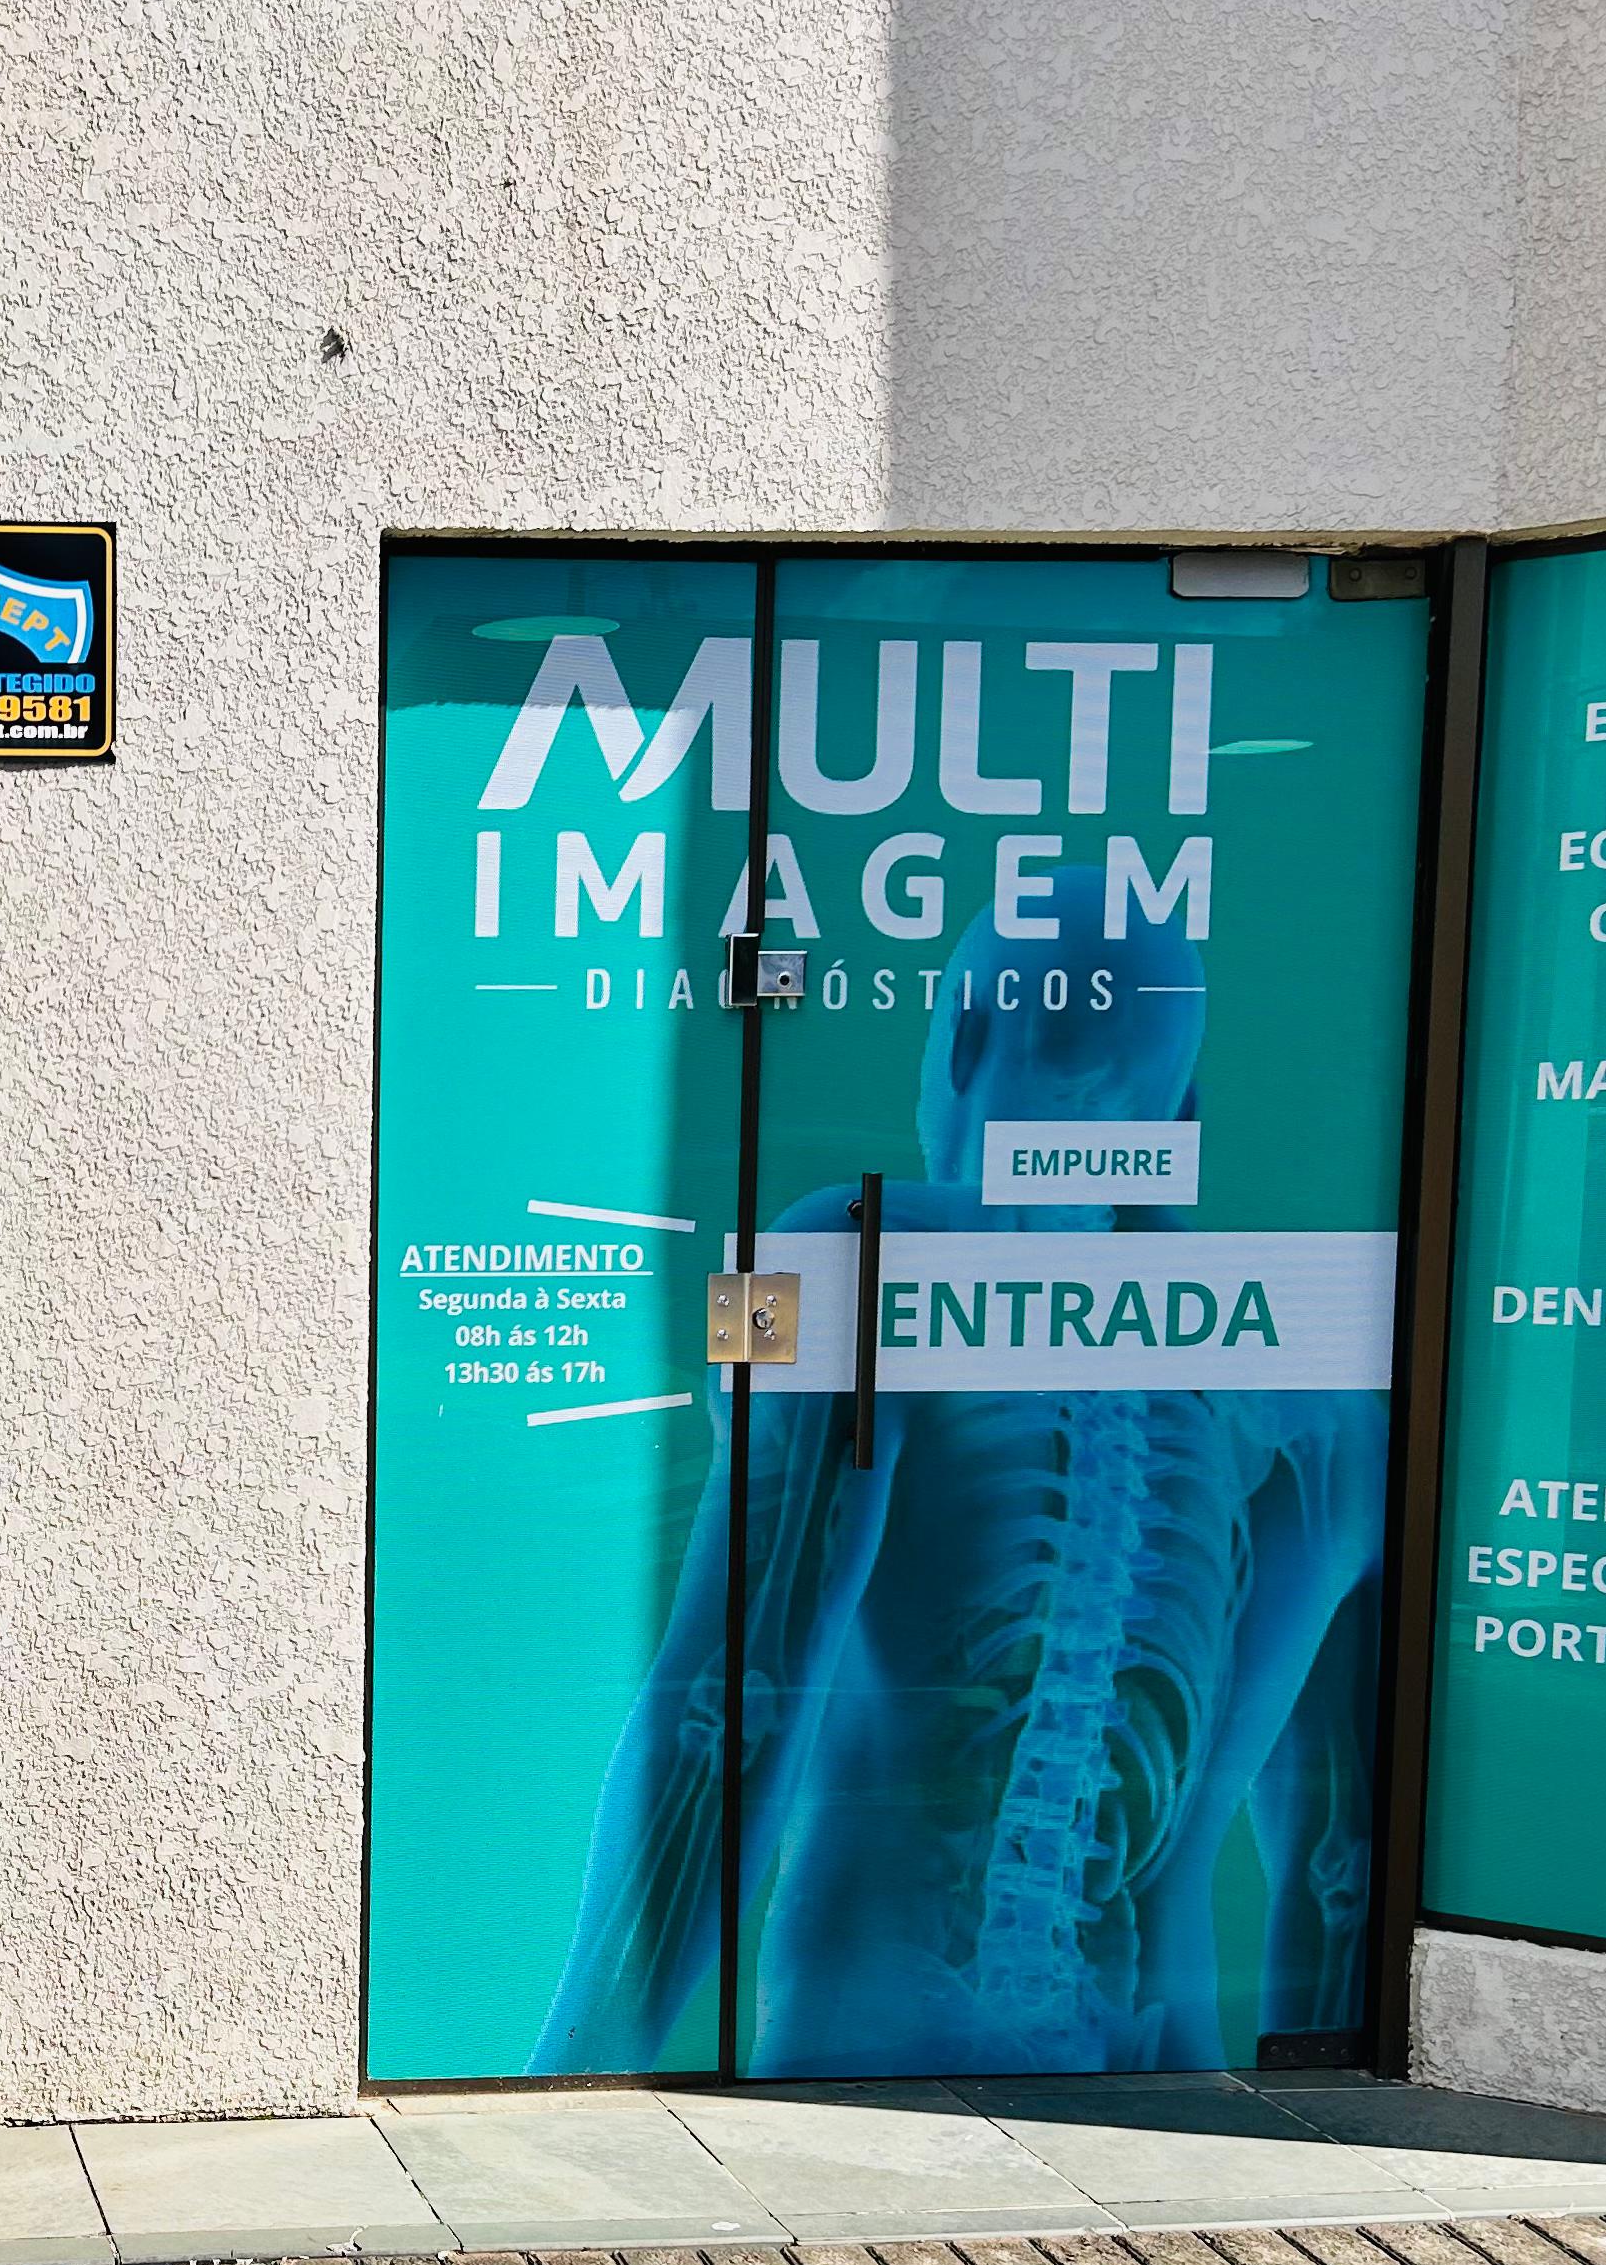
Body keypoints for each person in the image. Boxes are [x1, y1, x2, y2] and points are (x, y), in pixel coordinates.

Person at [535, 865, 1383, 2079]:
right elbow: (1339, 1864)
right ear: (1181, 1115)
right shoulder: (1314, 1382)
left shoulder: (831, 1248)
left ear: (964, 1040)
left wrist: (564, 2079)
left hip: (864, 2047)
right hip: (1158, 2070)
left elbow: (727, 1700)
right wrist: (1316, 2121)